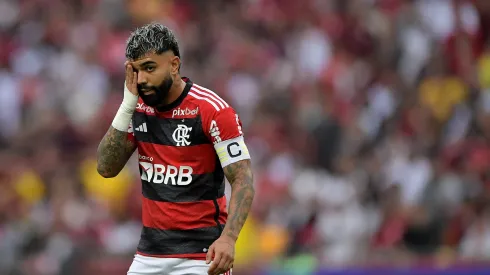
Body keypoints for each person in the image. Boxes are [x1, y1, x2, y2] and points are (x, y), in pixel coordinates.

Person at [96, 23, 255, 275]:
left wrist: (229, 239)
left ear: (174, 65)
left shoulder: (213, 111)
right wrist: (127, 104)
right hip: (149, 256)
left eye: (149, 68)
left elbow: (243, 178)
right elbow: (105, 168)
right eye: (135, 71)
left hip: (201, 257)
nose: (142, 79)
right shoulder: (136, 109)